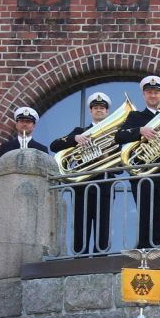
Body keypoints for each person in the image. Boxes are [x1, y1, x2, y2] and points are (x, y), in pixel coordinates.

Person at [114, 77, 160, 249]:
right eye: (149, 92)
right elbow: (119, 136)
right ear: (144, 95)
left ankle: (157, 251)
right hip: (142, 174)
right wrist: (140, 130)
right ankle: (142, 251)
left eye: (156, 92)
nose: (153, 95)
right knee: (145, 215)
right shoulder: (136, 116)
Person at [50, 94, 118, 254]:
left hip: (105, 185)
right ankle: (80, 257)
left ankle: (101, 256)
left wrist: (106, 158)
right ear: (90, 111)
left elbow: (121, 166)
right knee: (81, 222)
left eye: (102, 108)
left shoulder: (114, 134)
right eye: (96, 108)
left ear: (107, 111)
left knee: (103, 223)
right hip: (82, 186)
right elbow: (54, 146)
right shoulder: (80, 131)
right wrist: (74, 138)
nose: (99, 111)